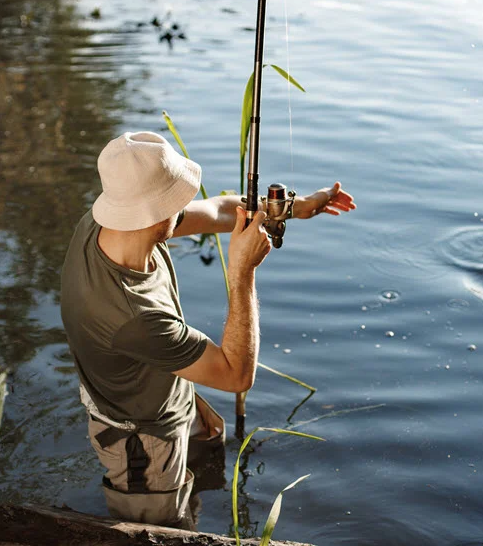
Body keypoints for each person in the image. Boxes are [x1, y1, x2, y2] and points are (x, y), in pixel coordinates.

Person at [60, 131, 355, 527]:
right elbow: (237, 375)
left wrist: (289, 208)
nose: (185, 204)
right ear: (153, 214)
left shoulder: (109, 225)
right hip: (144, 442)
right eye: (175, 200)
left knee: (202, 488)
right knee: (161, 533)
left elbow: (218, 209)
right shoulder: (133, 316)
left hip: (168, 389)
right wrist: (242, 272)